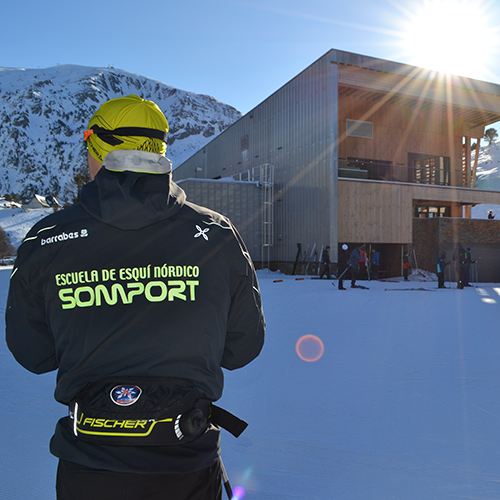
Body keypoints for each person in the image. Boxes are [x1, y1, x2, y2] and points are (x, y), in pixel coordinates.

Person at [5, 95, 265, 500]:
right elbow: (242, 348)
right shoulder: (214, 234)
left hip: (89, 466)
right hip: (187, 462)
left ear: (96, 148)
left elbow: (33, 354)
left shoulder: (46, 239)